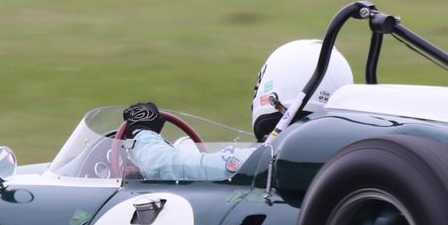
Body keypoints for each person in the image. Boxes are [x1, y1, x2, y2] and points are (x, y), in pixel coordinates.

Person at [120, 40, 354, 182]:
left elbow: (159, 165)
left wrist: (142, 130)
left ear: (273, 97)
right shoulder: (342, 159)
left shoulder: (264, 160)